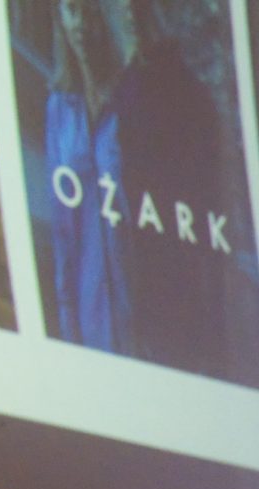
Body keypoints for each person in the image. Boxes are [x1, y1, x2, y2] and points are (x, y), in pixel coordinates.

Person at [109, 0, 227, 376]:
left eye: (139, 15)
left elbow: (209, 182)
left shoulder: (169, 90)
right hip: (155, 250)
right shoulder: (133, 84)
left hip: (171, 252)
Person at [46, 0, 134, 354]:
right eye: (70, 10)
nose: (79, 21)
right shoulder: (58, 109)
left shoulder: (125, 97)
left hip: (138, 311)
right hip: (91, 316)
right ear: (59, 16)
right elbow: (61, 229)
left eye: (85, 8)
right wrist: (70, 326)